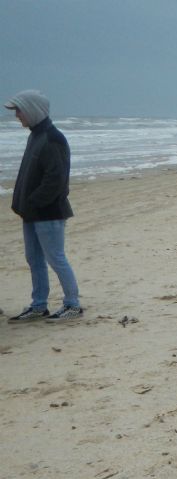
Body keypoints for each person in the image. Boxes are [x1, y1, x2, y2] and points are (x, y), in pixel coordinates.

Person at [5, 90, 83, 322]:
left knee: (56, 258)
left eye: (19, 110)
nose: (17, 115)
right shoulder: (36, 136)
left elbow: (56, 180)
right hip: (32, 213)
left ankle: (72, 304)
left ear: (32, 110)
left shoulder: (53, 138)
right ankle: (38, 305)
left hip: (48, 213)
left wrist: (33, 202)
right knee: (34, 259)